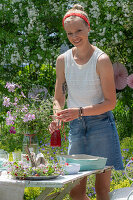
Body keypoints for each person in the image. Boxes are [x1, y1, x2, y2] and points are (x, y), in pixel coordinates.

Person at [49, 4, 124, 200]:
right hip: (75, 127)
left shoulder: (101, 60)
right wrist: (58, 115)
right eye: (69, 33)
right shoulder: (62, 60)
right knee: (76, 191)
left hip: (101, 126)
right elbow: (59, 97)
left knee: (102, 190)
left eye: (79, 30)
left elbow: (110, 103)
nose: (74, 36)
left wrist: (79, 111)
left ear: (88, 28)